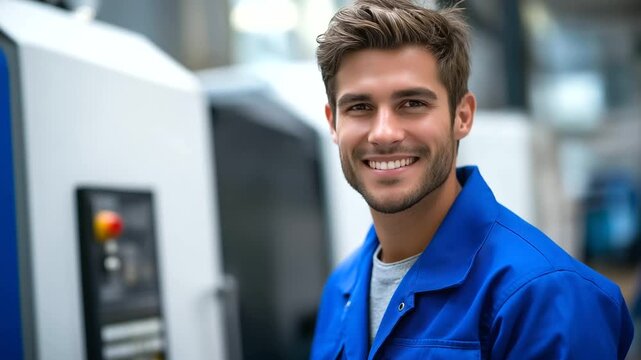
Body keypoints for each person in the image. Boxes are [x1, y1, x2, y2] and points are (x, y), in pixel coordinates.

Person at [310, 0, 634, 359]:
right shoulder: (342, 291)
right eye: (359, 107)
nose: (384, 133)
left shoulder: (543, 295)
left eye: (412, 103)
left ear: (462, 116)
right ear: (333, 123)